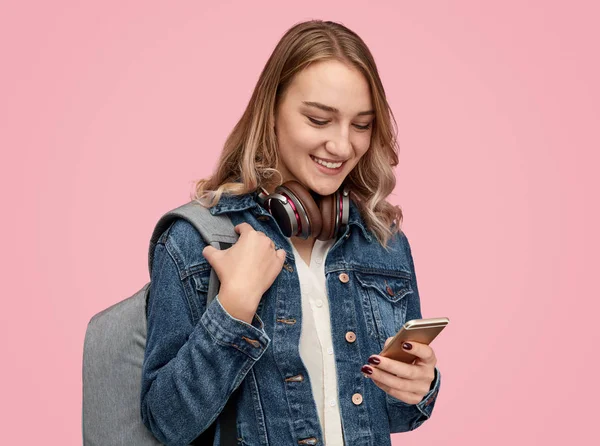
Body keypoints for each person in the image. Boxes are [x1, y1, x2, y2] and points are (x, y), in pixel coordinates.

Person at [140, 19, 441, 446]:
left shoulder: (383, 243)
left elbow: (390, 414)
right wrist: (235, 305)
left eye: (361, 125)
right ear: (272, 113)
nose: (342, 146)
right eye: (319, 119)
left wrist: (418, 387)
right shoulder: (196, 240)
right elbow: (167, 423)